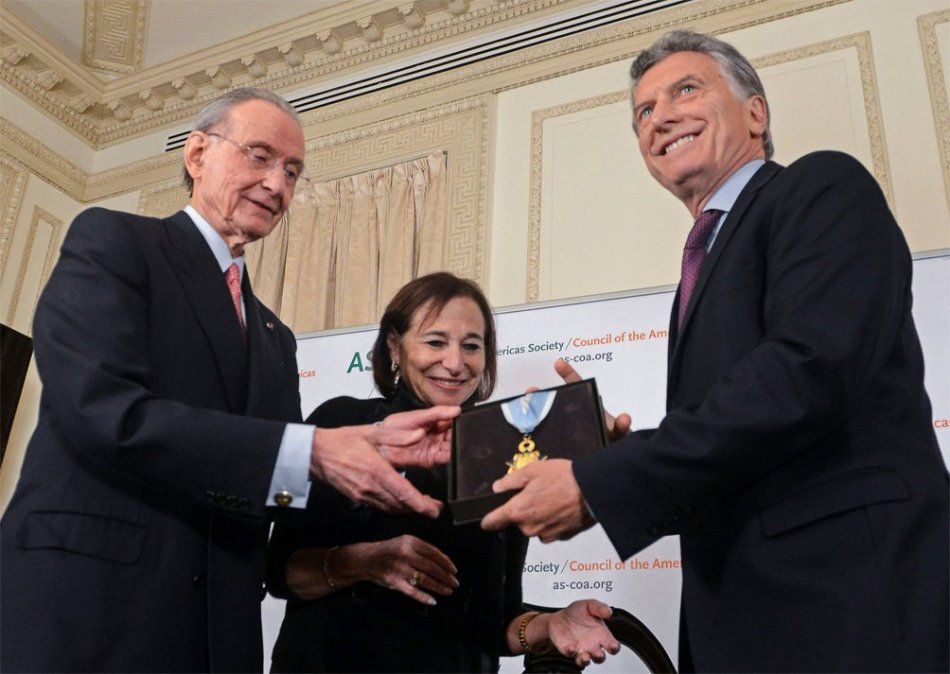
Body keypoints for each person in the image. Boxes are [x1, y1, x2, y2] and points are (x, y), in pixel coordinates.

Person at [483, 30, 949, 673]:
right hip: (749, 624)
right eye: (644, 112)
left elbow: (805, 373)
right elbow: (746, 455)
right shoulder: (698, 270)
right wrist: (614, 457)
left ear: (756, 112)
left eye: (685, 90)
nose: (659, 118)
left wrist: (600, 484)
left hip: (848, 608)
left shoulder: (821, 187)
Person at [0, 88, 460, 674]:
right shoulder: (115, 242)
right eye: (260, 156)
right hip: (90, 612)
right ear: (197, 154)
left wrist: (366, 461)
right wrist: (312, 451)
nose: (277, 184)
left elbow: (272, 486)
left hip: (219, 636)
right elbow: (103, 412)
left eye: (292, 171)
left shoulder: (275, 338)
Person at [266, 272, 619, 673]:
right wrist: (367, 562)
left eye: (471, 346)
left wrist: (549, 624)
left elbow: (494, 623)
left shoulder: (504, 453)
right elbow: (280, 572)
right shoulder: (342, 422)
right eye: (435, 342)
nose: (454, 363)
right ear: (394, 346)